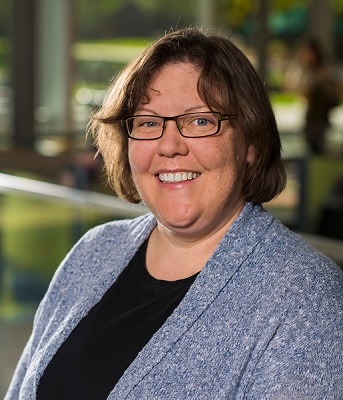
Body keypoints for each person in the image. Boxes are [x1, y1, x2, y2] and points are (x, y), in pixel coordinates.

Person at [5, 27, 343, 399]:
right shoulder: (93, 251)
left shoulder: (305, 296)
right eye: (148, 122)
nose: (169, 146)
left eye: (200, 120)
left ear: (251, 142)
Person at [285, 38, 339, 154]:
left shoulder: (321, 71)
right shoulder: (304, 69)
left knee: (316, 148)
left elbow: (324, 90)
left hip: (318, 117)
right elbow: (290, 85)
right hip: (310, 117)